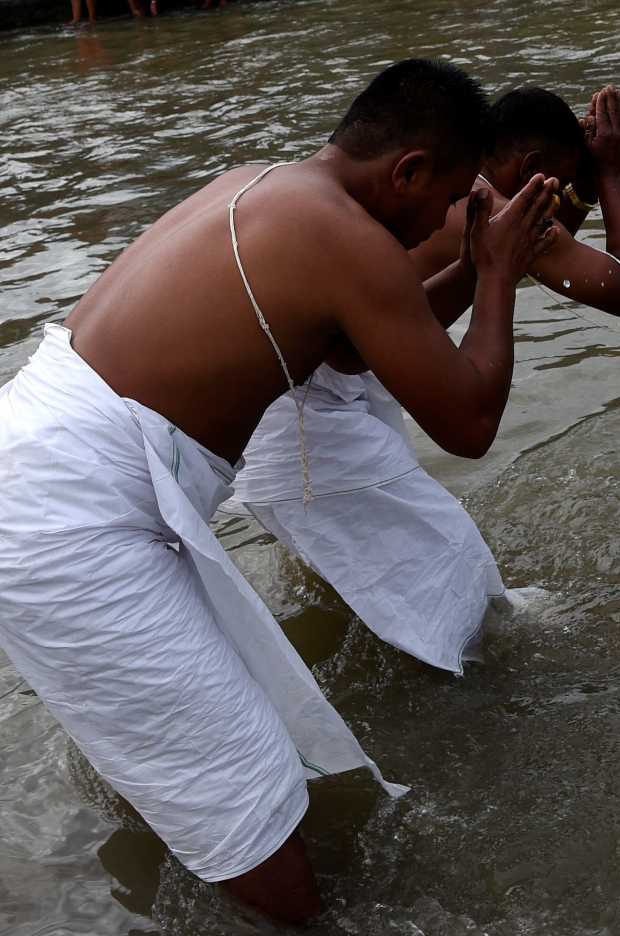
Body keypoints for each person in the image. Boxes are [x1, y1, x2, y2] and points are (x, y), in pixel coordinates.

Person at [0, 59, 558, 923]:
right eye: (448, 197)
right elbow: (471, 423)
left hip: (45, 465)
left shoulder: (268, 186)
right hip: (64, 514)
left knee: (219, 752)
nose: (445, 221)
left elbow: (345, 352)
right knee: (246, 790)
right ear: (407, 171)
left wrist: (482, 269)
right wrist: (494, 272)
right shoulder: (351, 239)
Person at [233, 84, 620, 674]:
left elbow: (371, 341)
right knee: (470, 606)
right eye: (554, 186)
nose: (555, 203)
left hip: (302, 400)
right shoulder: (482, 204)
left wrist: (572, 191)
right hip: (311, 427)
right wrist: (610, 175)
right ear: (530, 170)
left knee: (361, 596)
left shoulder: (404, 190)